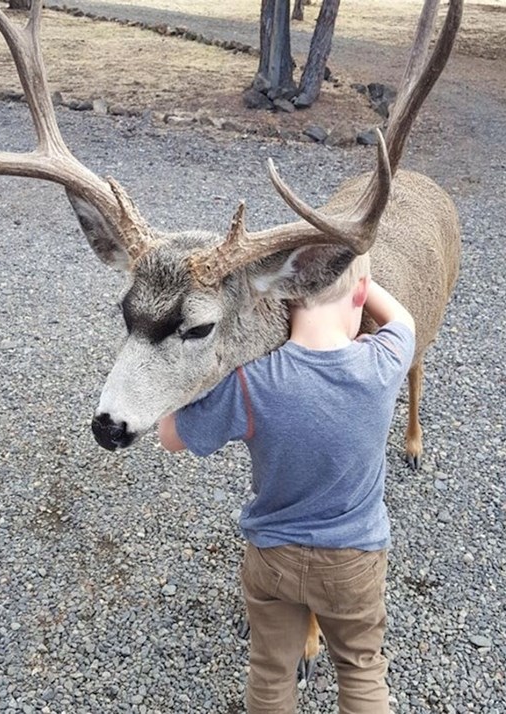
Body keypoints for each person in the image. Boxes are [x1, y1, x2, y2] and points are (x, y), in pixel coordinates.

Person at [158, 252, 415, 714]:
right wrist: (363, 273)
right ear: (359, 294)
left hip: (273, 558)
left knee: (271, 672)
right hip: (354, 562)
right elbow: (402, 318)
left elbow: (170, 437)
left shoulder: (251, 383)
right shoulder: (383, 363)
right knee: (360, 669)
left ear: (284, 303)